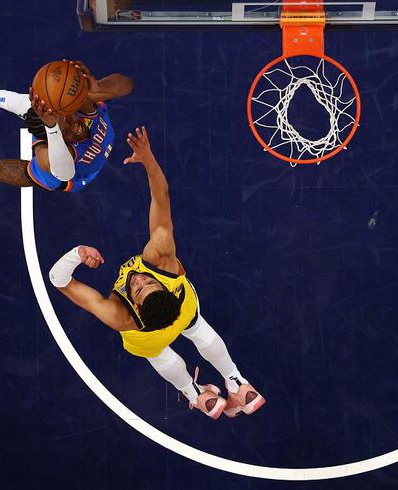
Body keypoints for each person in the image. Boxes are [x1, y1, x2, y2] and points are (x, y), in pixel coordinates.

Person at [48, 127, 265, 419]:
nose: (139, 279)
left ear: (136, 305)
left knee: (159, 353)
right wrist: (148, 159)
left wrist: (78, 253)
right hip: (184, 309)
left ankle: (197, 396)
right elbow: (161, 197)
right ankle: (237, 383)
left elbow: (58, 280)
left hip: (148, 337)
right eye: (146, 282)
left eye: (140, 286)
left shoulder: (120, 315)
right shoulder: (162, 261)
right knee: (198, 329)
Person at [0, 61, 133, 191]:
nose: (75, 126)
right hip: (71, 169)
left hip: (54, 130)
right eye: (67, 130)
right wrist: (53, 130)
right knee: (20, 174)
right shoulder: (48, 154)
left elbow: (127, 84)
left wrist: (98, 88)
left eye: (69, 118)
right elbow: (65, 173)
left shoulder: (79, 105)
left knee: (43, 104)